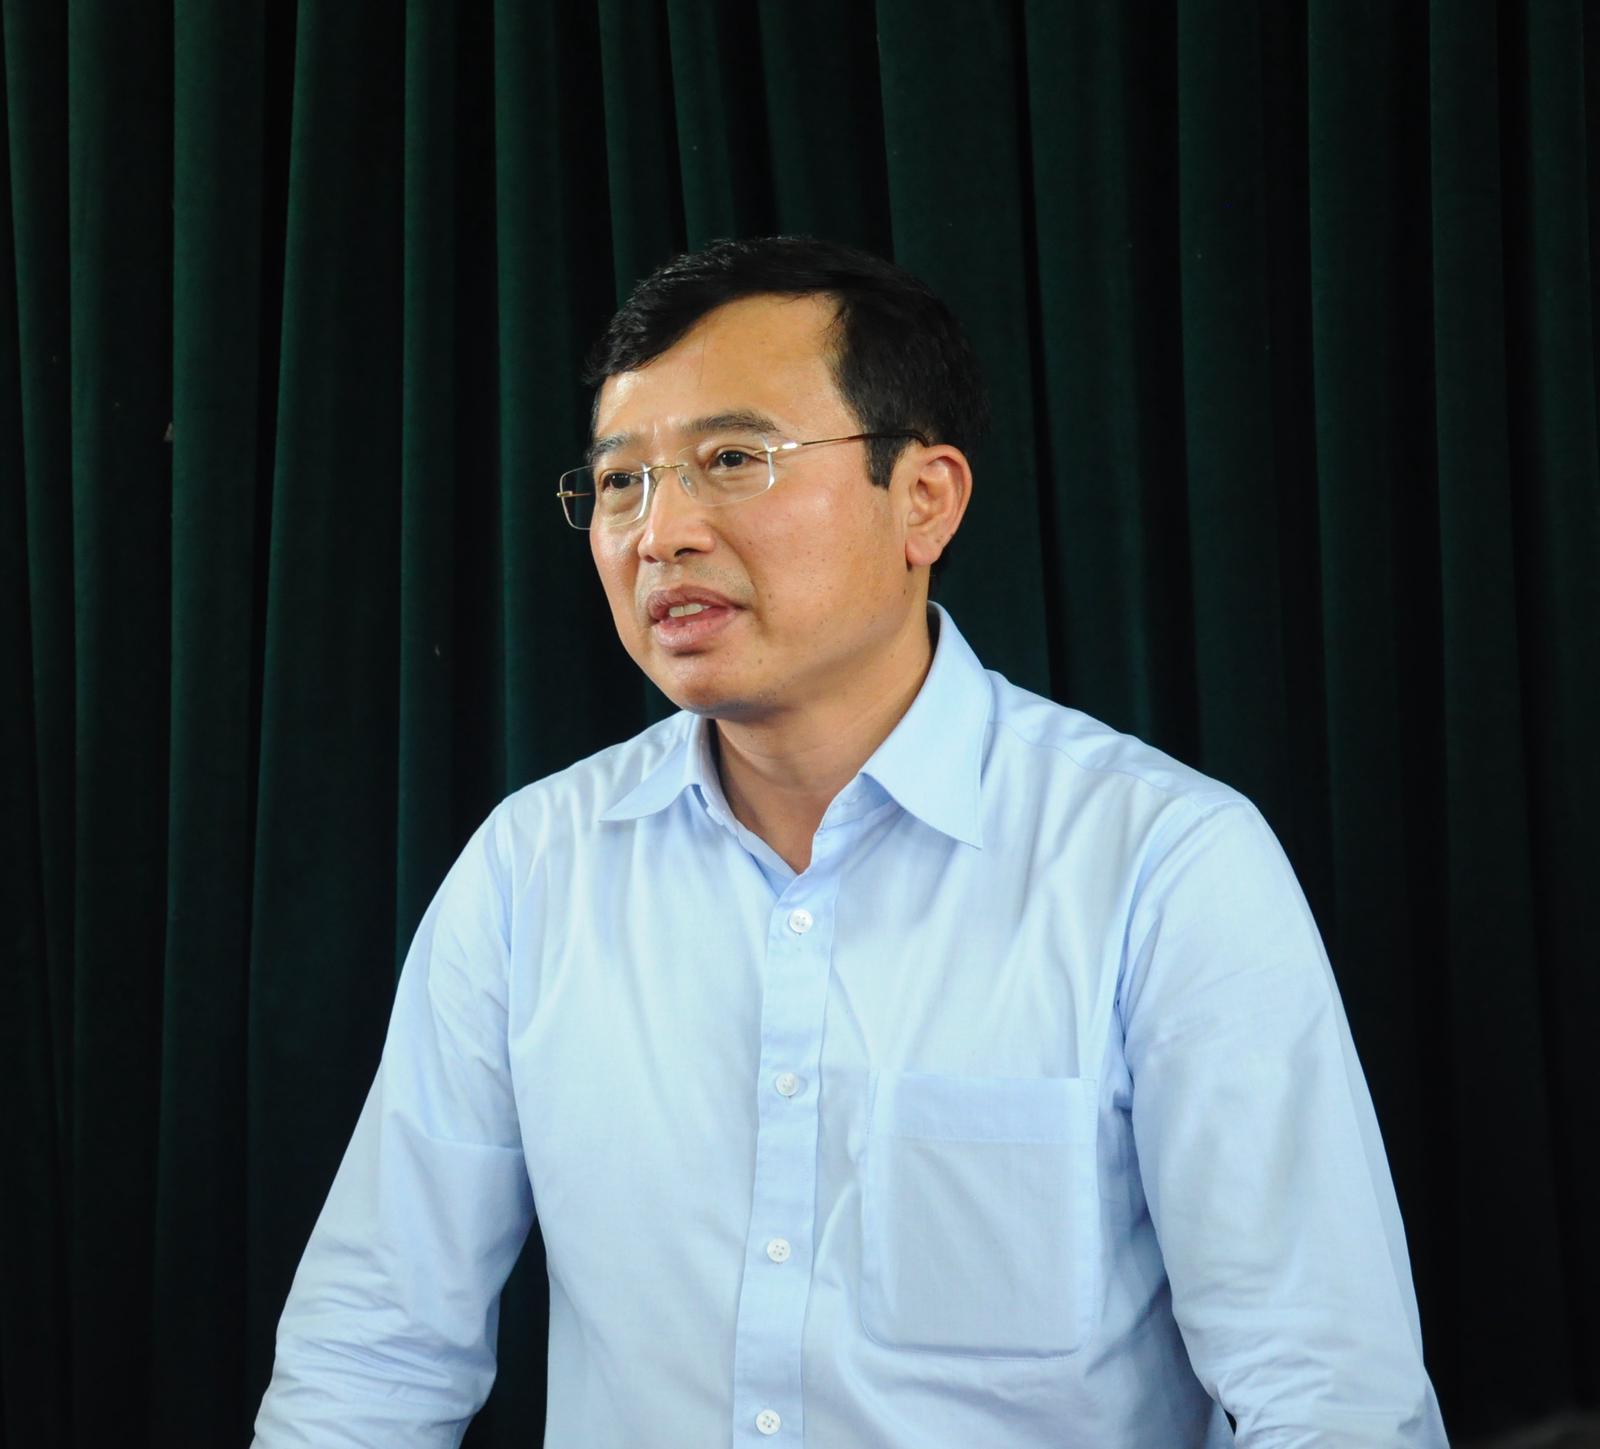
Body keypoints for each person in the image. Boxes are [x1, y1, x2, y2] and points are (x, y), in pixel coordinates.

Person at [251, 236, 1449, 1447]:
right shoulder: (532, 871)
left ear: (924, 499)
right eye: (620, 482)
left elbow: (1327, 1394)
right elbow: (372, 1357)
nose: (661, 533)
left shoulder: (1160, 863)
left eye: (732, 460)